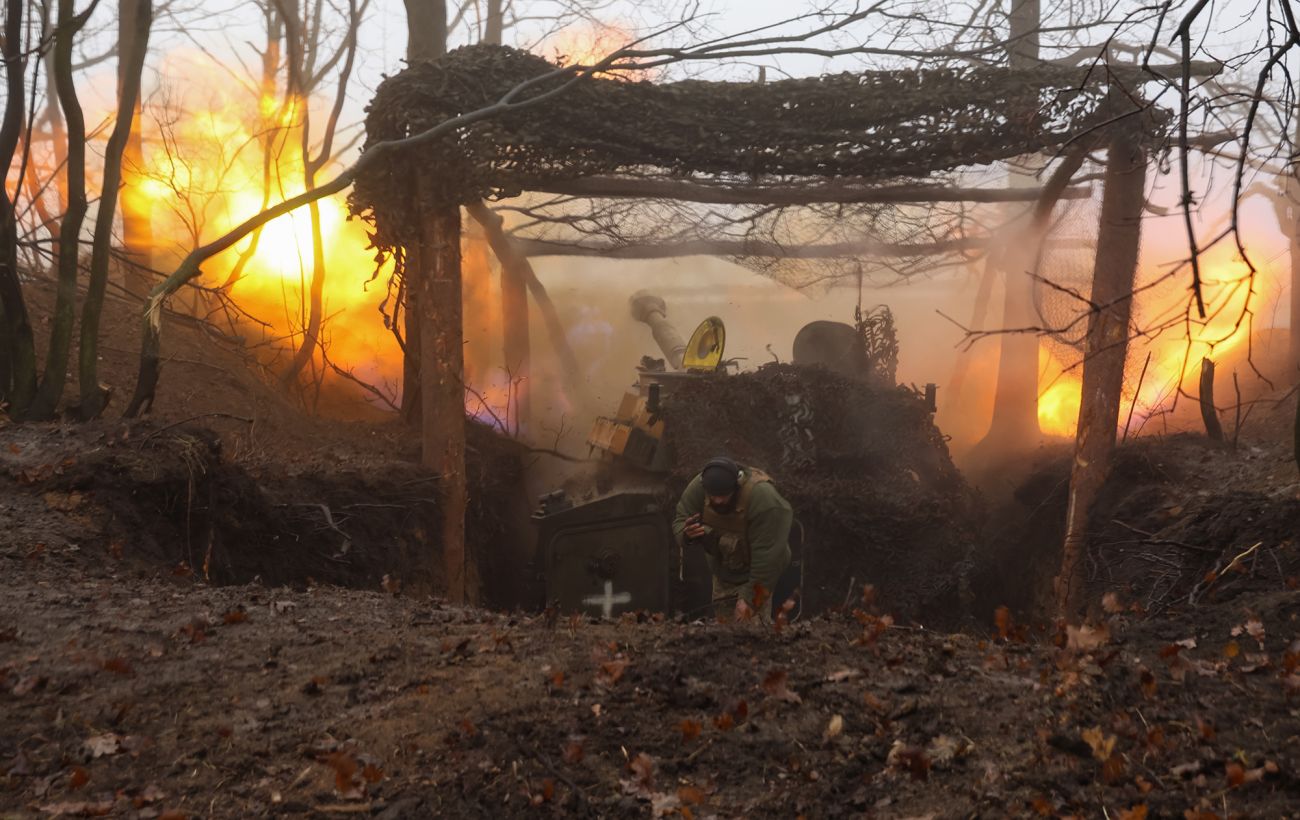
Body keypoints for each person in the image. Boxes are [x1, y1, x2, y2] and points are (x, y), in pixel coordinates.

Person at [672, 456, 793, 622]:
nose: (718, 500)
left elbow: (768, 557)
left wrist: (749, 600)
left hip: (759, 571)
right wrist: (686, 534)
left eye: (724, 495)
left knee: (751, 629)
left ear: (737, 486)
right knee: (726, 628)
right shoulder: (701, 486)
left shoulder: (763, 500)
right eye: (713, 496)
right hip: (723, 569)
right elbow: (681, 518)